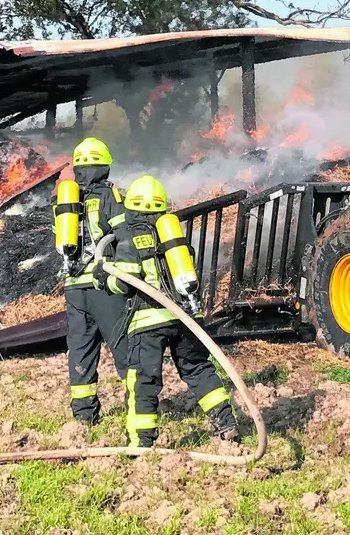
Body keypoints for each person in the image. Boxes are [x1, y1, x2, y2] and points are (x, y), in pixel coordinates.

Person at [102, 174, 239, 448]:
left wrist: (102, 276)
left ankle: (142, 441)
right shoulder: (173, 236)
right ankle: (227, 423)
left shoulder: (128, 240)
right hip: (185, 319)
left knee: (144, 380)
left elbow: (124, 284)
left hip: (148, 322)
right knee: (198, 368)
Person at [57, 137, 130, 426]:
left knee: (81, 348)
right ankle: (139, 402)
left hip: (73, 289)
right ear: (104, 167)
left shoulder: (66, 202)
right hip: (104, 284)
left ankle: (84, 416)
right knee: (123, 342)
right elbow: (123, 234)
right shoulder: (109, 197)